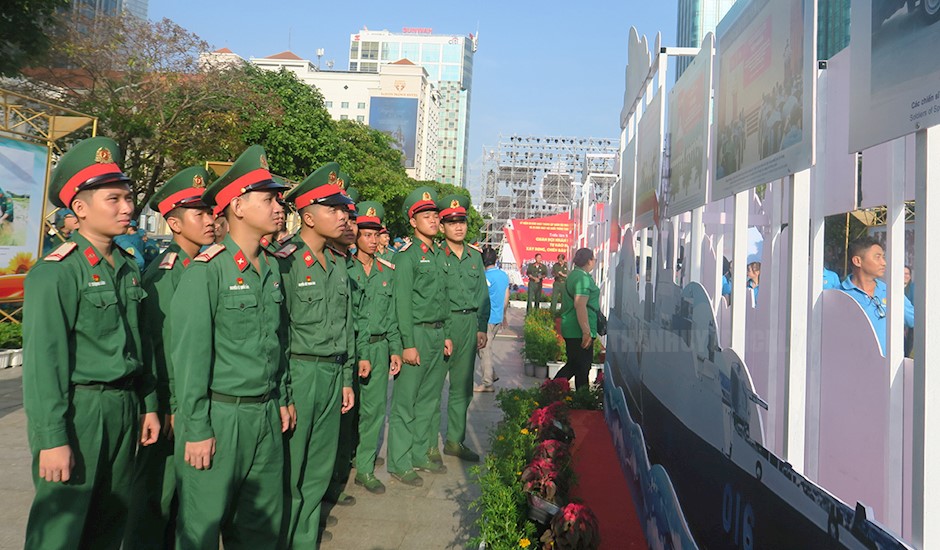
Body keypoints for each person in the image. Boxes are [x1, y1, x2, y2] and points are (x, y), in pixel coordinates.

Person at [22, 136, 161, 549]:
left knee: (110, 523)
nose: (127, 207)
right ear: (79, 209)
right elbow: (43, 365)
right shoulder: (56, 273)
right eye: (113, 199)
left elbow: (140, 345)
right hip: (79, 411)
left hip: (123, 407)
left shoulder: (127, 267)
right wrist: (52, 440)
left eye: (128, 197)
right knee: (60, 530)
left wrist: (148, 405)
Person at [170, 145, 292, 548]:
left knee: (260, 531)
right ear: (237, 206)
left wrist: (282, 398)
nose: (279, 207)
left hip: (265, 415)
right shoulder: (207, 271)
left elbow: (277, 344)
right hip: (220, 417)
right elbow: (189, 360)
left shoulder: (272, 267)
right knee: (202, 528)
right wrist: (197, 428)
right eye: (268, 199)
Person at [125, 165, 215, 549]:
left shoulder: (205, 266)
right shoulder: (163, 275)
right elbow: (156, 348)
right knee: (155, 501)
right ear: (175, 224)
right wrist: (167, 405)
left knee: (186, 502)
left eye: (212, 212)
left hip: (193, 403)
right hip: (167, 407)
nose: (211, 220)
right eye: (201, 213)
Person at [277, 162, 356, 547]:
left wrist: (344, 379)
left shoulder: (339, 263)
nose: (343, 217)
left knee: (318, 471)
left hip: (331, 374)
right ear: (307, 216)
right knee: (289, 471)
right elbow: (276, 334)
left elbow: (345, 325)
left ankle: (304, 540)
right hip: (299, 373)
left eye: (344, 209)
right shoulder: (285, 261)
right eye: (333, 210)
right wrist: (283, 393)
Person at [389, 186, 452, 486]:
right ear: (413, 222)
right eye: (426, 215)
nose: (433, 220)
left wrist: (448, 335)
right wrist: (407, 344)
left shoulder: (439, 254)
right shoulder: (407, 257)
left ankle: (417, 454)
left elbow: (444, 298)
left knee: (428, 400)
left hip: (438, 334)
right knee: (405, 403)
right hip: (416, 333)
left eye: (435, 215)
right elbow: (401, 303)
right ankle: (399, 462)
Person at [349, 201, 402, 494]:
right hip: (353, 351)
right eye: (365, 234)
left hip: (380, 348)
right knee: (348, 412)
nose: (371, 240)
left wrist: (395, 348)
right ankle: (344, 464)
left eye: (375, 234)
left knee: (375, 411)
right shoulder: (344, 268)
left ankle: (365, 468)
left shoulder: (386, 271)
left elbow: (392, 314)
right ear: (356, 235)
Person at [431, 194, 489, 463]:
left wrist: (481, 326)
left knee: (463, 387)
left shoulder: (475, 257)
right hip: (442, 323)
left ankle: (455, 440)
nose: (458, 227)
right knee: (431, 386)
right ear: (441, 227)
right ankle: (429, 444)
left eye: (462, 221)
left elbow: (482, 295)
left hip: (468, 324)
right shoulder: (433, 255)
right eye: (451, 222)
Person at [839, 237, 914, 356]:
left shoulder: (891, 292)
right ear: (857, 261)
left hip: (889, 369)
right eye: (877, 257)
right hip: (853, 367)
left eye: (883, 257)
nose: (883, 262)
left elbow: (915, 320)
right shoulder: (839, 295)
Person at [553, 248, 600, 389]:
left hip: (572, 326)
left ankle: (555, 390)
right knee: (581, 366)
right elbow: (580, 305)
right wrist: (586, 331)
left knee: (576, 366)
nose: (595, 262)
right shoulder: (582, 279)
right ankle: (553, 389)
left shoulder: (574, 275)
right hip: (579, 329)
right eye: (594, 259)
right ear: (589, 260)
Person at [475, 246, 509, 393]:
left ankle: (487, 383)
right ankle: (491, 374)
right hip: (497, 317)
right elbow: (506, 296)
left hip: (486, 318)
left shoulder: (484, 277)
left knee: (484, 349)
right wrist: (504, 314)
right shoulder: (503, 275)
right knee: (483, 347)